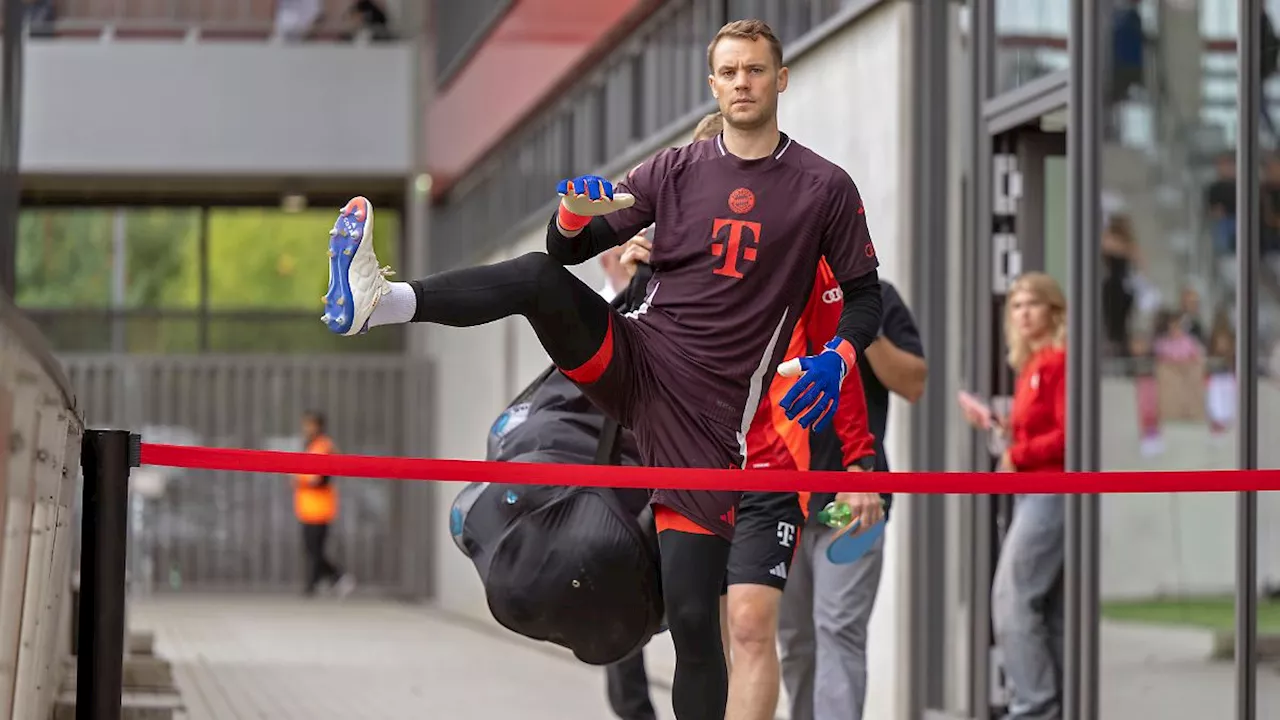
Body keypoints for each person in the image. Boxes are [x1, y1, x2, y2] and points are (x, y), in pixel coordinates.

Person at [322, 19, 883, 719]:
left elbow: (864, 297)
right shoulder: (676, 170)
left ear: (780, 79)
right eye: (729, 71)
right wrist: (569, 215)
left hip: (707, 420)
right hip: (638, 361)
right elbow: (568, 250)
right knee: (534, 277)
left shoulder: (822, 188)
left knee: (692, 625)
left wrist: (839, 356)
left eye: (755, 71)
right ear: (712, 83)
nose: (743, 83)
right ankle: (380, 302)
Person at [615, 110, 880, 720]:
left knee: (752, 623)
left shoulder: (801, 256)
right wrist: (639, 277)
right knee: (697, 628)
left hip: (768, 461)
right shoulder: (666, 259)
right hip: (687, 457)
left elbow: (841, 356)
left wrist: (862, 459)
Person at [777, 278, 926, 720]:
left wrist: (859, 324)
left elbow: (914, 382)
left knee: (839, 630)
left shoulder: (878, 296)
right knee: (795, 641)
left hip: (855, 499)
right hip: (781, 500)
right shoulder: (776, 282)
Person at [959, 271, 1066, 720]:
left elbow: (1069, 435)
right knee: (1044, 606)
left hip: (1053, 491)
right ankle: (1051, 703)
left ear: (1053, 311)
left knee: (1011, 597)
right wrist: (1003, 429)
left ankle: (1033, 707)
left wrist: (1018, 452)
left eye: (1033, 303)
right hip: (1031, 492)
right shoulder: (1032, 366)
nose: (1023, 312)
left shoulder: (1058, 362)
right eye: (1017, 305)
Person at [294, 410, 355, 598]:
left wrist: (305, 481)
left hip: (320, 508)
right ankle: (329, 581)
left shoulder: (324, 445)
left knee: (315, 550)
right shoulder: (310, 445)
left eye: (309, 424)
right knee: (311, 549)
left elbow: (325, 477)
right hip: (307, 507)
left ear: (318, 426)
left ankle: (335, 579)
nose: (306, 428)